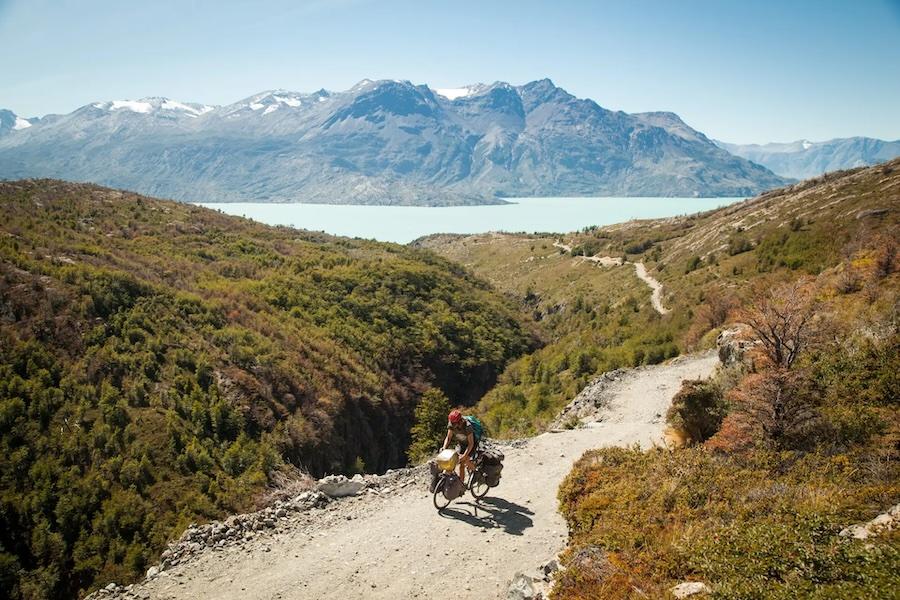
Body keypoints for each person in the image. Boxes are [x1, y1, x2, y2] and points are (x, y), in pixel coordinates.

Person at [441, 409, 477, 482]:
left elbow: (471, 443)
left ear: (460, 421)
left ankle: (475, 472)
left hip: (471, 444)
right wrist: (444, 448)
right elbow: (448, 438)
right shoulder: (451, 424)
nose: (453, 425)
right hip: (461, 444)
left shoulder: (468, 427)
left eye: (454, 423)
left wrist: (464, 455)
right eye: (452, 423)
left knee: (462, 463)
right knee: (452, 460)